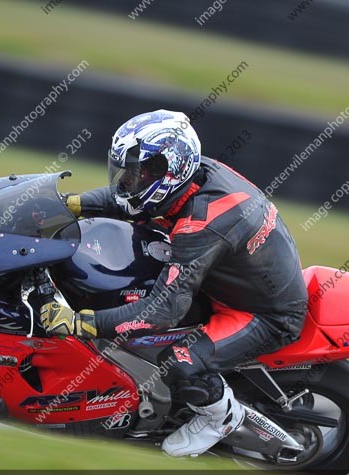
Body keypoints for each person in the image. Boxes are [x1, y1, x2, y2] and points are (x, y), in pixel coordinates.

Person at [39, 109, 308, 457]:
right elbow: (128, 199)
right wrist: (70, 205)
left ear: (172, 168)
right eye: (128, 170)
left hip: (263, 313)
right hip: (234, 280)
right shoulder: (193, 174)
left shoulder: (201, 224)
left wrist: (80, 323)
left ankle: (221, 418)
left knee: (179, 360)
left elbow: (164, 310)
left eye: (141, 172)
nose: (130, 180)